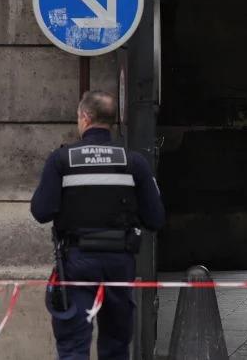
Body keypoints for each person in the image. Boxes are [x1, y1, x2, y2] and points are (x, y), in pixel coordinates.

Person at [31, 91, 165, 360]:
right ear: (113, 121)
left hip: (77, 262)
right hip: (119, 261)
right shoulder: (133, 162)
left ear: (85, 117)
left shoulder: (61, 160)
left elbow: (41, 211)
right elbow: (156, 219)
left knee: (73, 345)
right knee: (116, 345)